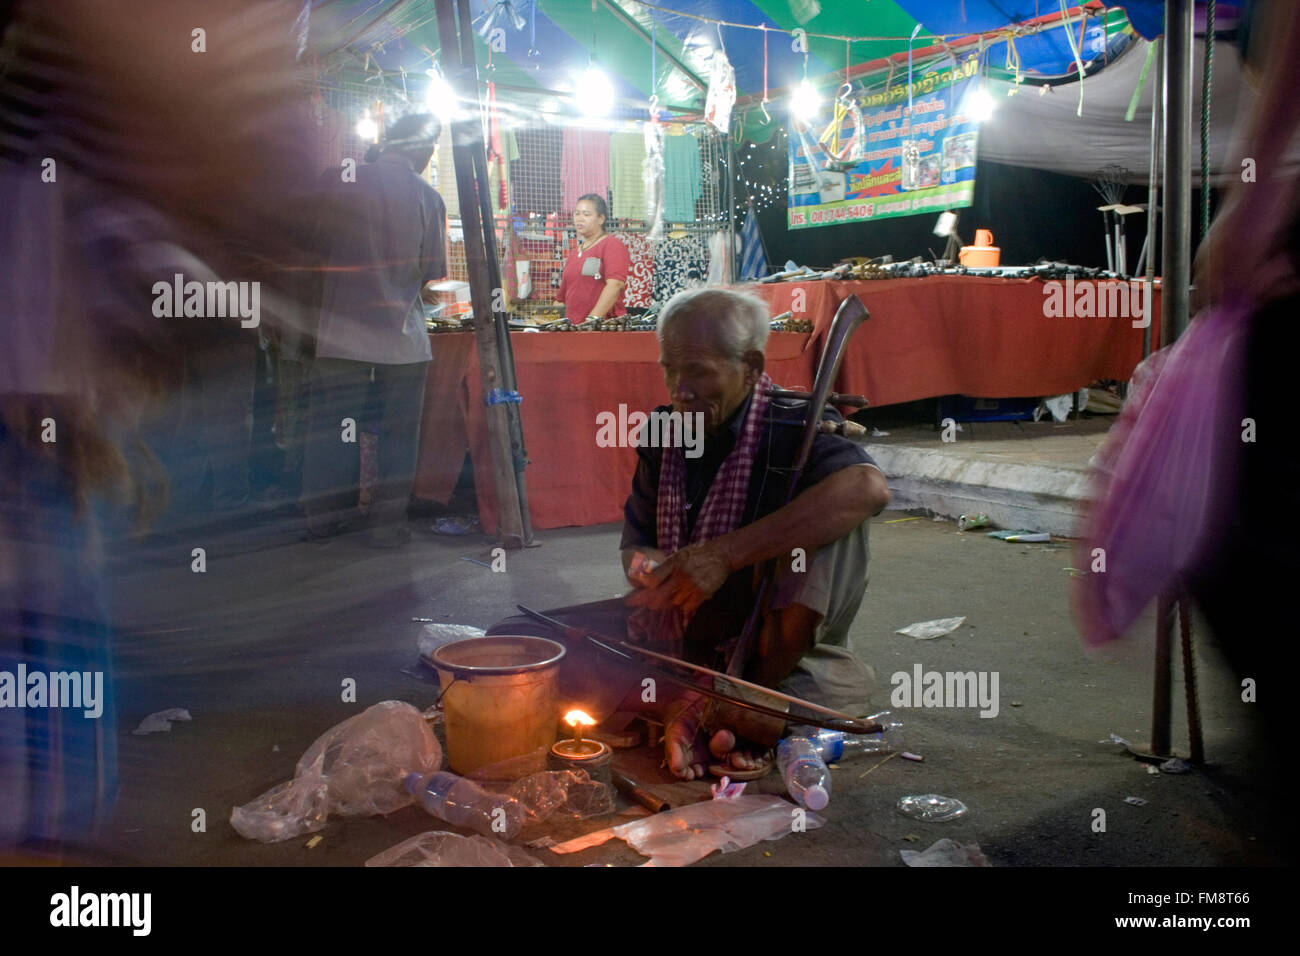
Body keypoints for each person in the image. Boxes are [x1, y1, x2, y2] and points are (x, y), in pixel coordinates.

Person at [489, 288, 890, 779]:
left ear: (751, 365)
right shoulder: (664, 429)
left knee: (831, 523)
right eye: (670, 370)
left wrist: (722, 557)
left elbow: (867, 488)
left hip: (771, 651)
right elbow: (636, 541)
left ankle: (731, 702)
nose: (680, 389)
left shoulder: (798, 426)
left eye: (698, 370)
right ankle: (721, 712)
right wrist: (648, 567)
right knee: (515, 642)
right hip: (684, 637)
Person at [301, 113, 448, 548]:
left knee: (333, 427)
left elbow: (312, 253)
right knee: (399, 434)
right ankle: (386, 526)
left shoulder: (338, 180)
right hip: (402, 341)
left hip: (341, 334)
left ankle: (323, 519)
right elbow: (430, 273)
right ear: (421, 150)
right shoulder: (427, 197)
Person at [556, 193, 629, 324]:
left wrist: (591, 321)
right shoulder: (574, 253)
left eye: (586, 214)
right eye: (576, 213)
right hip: (573, 330)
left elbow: (615, 285)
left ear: (601, 219)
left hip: (602, 329)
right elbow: (561, 299)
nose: (579, 218)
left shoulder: (612, 245)